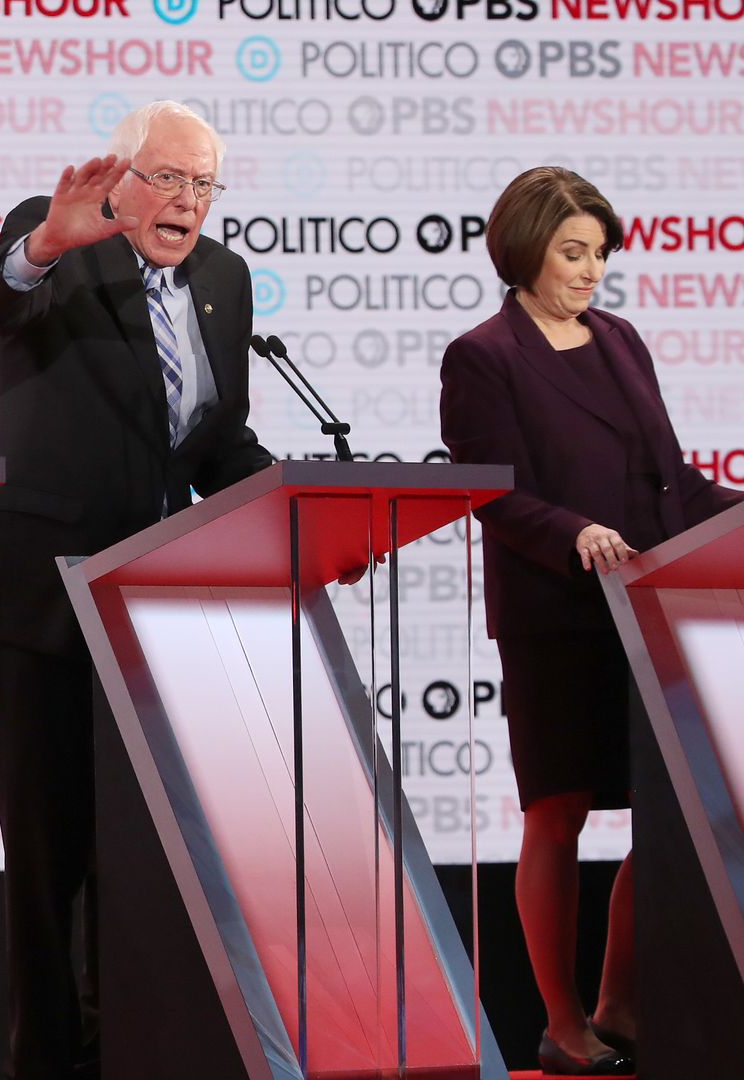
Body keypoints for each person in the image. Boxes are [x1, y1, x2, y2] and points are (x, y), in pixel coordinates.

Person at [0, 101, 274, 1077]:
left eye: (205, 185)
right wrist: (51, 239)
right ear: (121, 178)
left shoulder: (224, 279)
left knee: (142, 849)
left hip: (155, 603)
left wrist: (294, 515)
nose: (188, 201)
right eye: (171, 179)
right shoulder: (54, 238)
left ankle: (137, 1046)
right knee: (51, 848)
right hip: (45, 583)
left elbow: (216, 442)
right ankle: (49, 1061)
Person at [441, 167, 738, 1076]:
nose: (592, 270)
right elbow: (493, 496)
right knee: (558, 814)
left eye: (600, 253)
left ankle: (620, 1004)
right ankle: (562, 1023)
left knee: (668, 813)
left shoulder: (621, 339)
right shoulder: (483, 356)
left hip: (648, 609)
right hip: (555, 617)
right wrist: (575, 533)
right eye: (575, 252)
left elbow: (673, 485)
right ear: (527, 248)